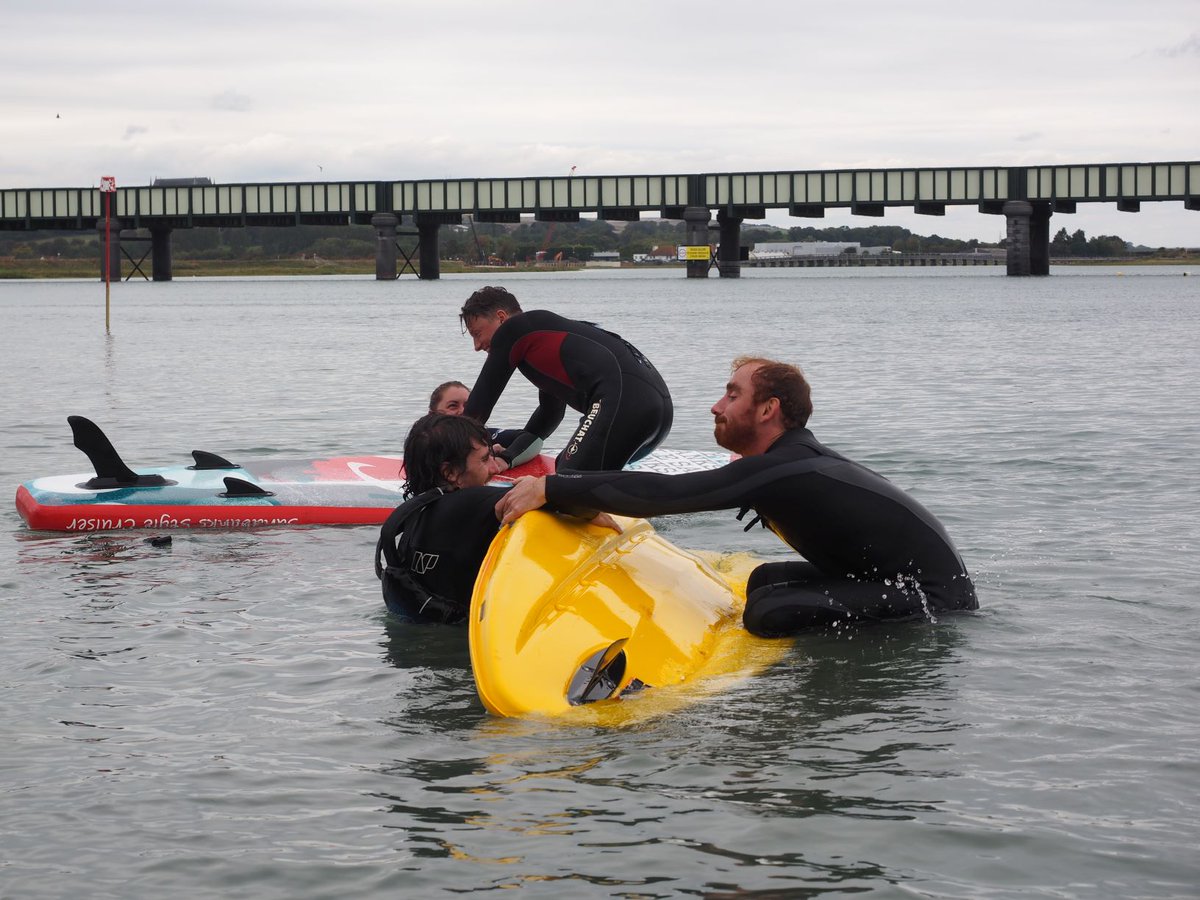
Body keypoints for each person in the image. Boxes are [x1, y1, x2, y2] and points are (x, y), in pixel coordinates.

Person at [495, 357, 978, 635]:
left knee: (768, 613)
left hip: (934, 597)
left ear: (768, 409)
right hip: (886, 576)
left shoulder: (785, 467)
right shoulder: (786, 462)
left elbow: (670, 493)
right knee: (764, 579)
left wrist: (554, 485)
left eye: (731, 395)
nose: (716, 406)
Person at [460, 285, 673, 472]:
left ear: (501, 317)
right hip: (657, 415)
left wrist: (445, 455)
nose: (477, 346)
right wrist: (508, 458)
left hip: (626, 406)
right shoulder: (545, 338)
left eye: (477, 334)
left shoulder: (513, 330)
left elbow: (477, 411)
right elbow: (549, 415)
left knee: (567, 478)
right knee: (573, 473)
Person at [375, 413, 511, 624]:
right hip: (462, 648)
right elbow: (555, 498)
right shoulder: (469, 504)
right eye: (485, 459)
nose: (494, 468)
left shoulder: (413, 515)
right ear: (450, 472)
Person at [427, 379, 543, 468]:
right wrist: (483, 455)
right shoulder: (421, 440)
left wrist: (504, 459)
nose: (463, 411)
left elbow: (534, 440)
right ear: (432, 414)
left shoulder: (482, 435)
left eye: (468, 405)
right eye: (453, 406)